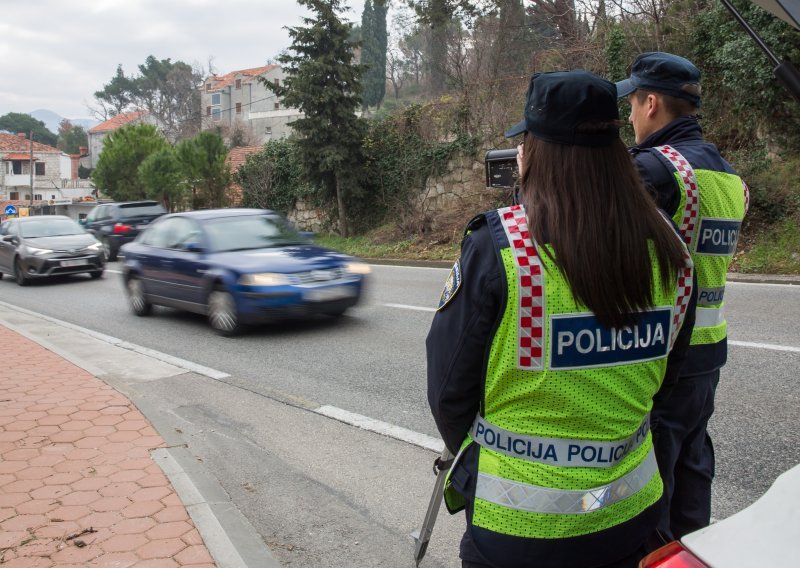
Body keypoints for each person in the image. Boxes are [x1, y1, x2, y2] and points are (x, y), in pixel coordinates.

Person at [426, 70, 697, 568]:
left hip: (517, 529)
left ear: (534, 153)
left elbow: (449, 392)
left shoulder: (501, 249)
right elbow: (667, 381)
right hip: (632, 516)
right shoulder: (671, 249)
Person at [616, 52, 749, 540]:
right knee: (694, 472)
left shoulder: (654, 168)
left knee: (652, 488)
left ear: (652, 103)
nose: (629, 116)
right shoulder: (729, 175)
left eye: (631, 103)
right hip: (709, 354)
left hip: (662, 359)